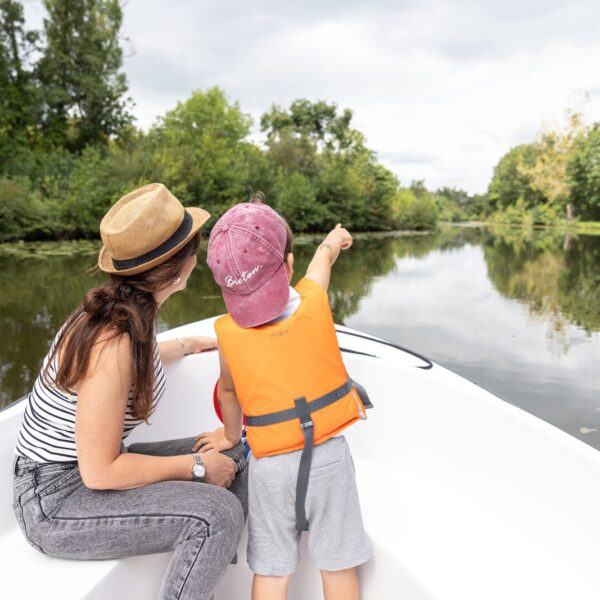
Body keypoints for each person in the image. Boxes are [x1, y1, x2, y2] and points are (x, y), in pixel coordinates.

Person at [12, 183, 248, 600]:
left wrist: (191, 345)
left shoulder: (124, 314)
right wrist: (195, 468)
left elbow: (130, 365)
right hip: (54, 501)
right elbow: (99, 472)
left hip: (76, 479)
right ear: (179, 268)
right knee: (217, 513)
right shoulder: (113, 340)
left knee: (235, 453)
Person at [198, 199, 372, 600]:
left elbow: (228, 391)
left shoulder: (226, 332)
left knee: (273, 572)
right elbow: (323, 261)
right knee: (339, 567)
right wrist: (335, 238)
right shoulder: (313, 300)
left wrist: (229, 436)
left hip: (270, 468)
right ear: (288, 266)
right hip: (327, 458)